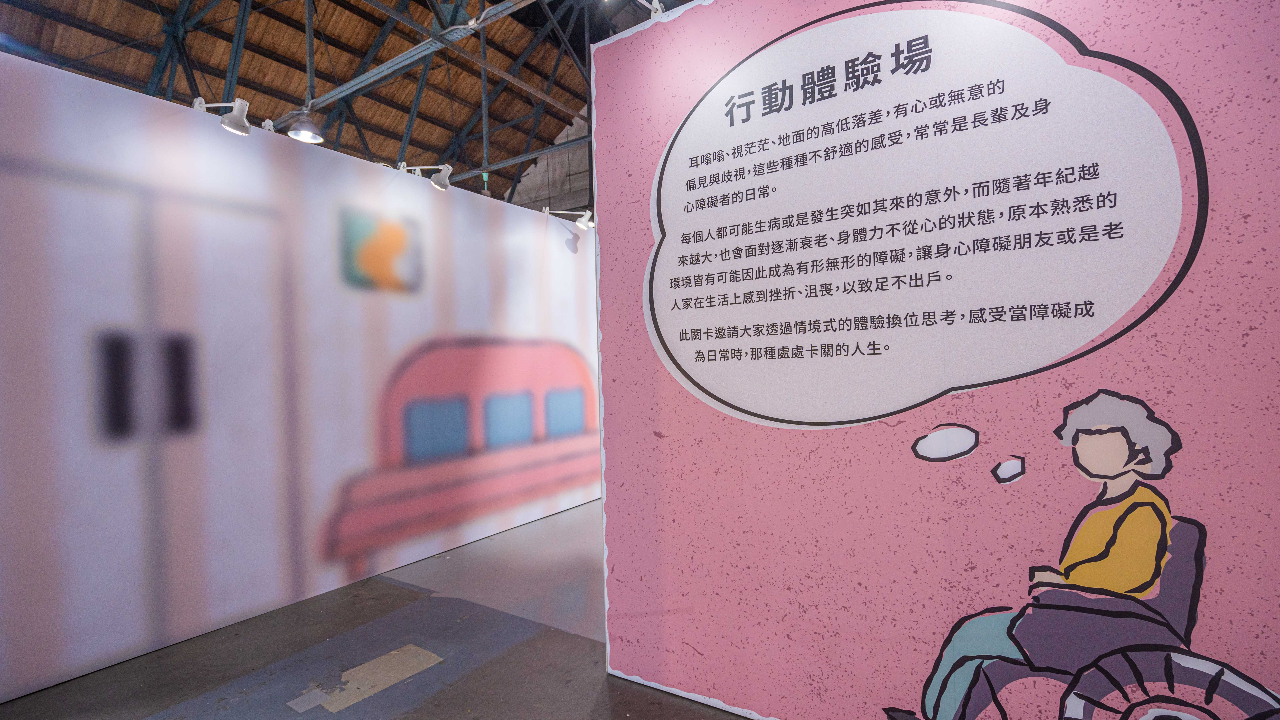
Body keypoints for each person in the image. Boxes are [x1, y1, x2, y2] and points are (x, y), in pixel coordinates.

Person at [886, 390, 1182, 720]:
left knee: (970, 636)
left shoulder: (1143, 507)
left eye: (1101, 439)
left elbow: (1133, 574)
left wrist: (1065, 582)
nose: (1086, 449)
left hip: (1107, 622)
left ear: (1139, 450)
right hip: (1076, 611)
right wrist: (1062, 583)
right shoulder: (1101, 508)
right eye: (1081, 440)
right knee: (979, 654)